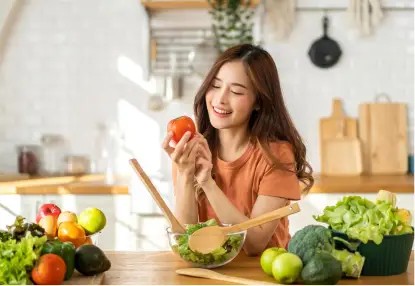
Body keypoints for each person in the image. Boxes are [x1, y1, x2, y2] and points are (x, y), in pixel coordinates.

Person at [162, 44, 313, 256]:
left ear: (258, 102)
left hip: (262, 275)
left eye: (236, 91)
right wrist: (186, 175)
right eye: (215, 86)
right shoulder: (193, 151)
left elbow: (254, 244)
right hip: (209, 273)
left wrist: (207, 183)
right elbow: (184, 242)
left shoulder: (276, 156)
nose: (220, 99)